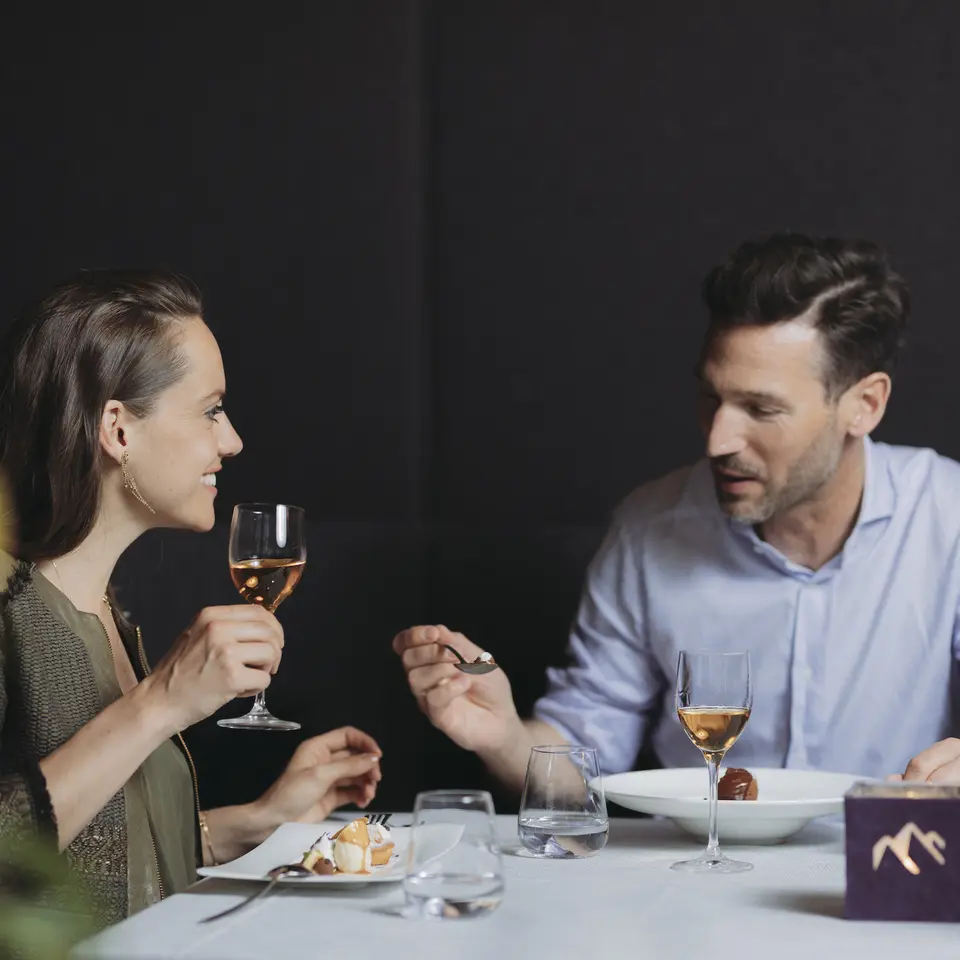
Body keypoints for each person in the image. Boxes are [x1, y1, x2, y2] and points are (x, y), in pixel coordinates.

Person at [394, 232, 960, 792]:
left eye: (761, 408)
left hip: (892, 867)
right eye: (711, 397)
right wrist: (502, 737)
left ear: (864, 405)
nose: (718, 440)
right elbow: (583, 769)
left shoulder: (949, 518)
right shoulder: (648, 527)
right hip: (693, 875)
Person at [0, 270, 382, 926]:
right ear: (117, 430)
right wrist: (160, 704)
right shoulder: (10, 607)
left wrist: (262, 820)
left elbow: (109, 854)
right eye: (210, 409)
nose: (231, 441)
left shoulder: (111, 615)